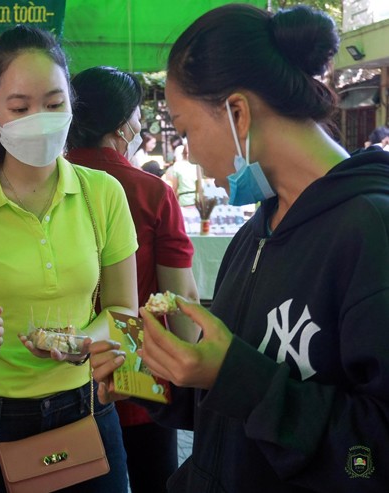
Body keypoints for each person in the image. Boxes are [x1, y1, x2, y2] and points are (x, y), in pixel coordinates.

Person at [90, 4, 389, 492]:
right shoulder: (259, 229)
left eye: (185, 131)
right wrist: (149, 373)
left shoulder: (371, 230)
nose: (188, 153)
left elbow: (370, 458)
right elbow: (226, 399)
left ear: (237, 113)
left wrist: (239, 378)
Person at [0, 25, 137, 493]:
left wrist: (80, 341)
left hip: (84, 404)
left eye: (55, 104)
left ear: (72, 104)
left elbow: (122, 309)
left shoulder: (103, 194)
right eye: (20, 107)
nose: (40, 117)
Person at [66, 65, 200, 492]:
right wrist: (187, 371)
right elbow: (179, 299)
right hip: (138, 378)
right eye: (138, 115)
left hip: (60, 378)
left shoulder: (45, 186)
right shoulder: (150, 191)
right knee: (153, 481)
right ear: (123, 126)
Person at [164, 138, 198, 206]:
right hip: (197, 201)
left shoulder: (177, 166)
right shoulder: (197, 165)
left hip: (183, 201)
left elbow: (175, 188)